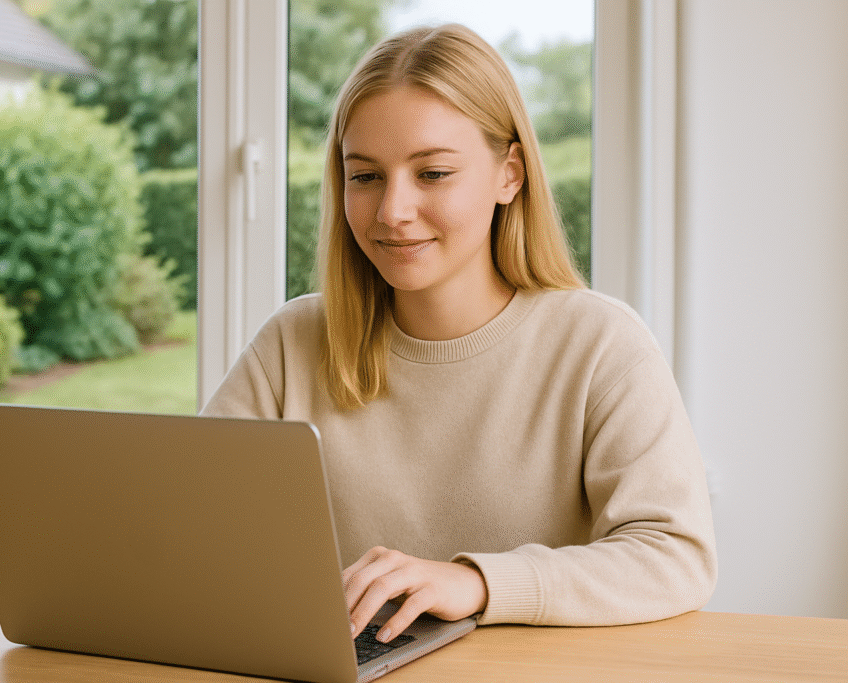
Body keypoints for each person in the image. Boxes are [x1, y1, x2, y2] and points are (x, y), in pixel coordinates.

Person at [202, 23, 717, 644]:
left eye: (434, 173)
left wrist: (476, 582)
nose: (392, 210)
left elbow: (675, 556)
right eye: (364, 177)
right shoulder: (293, 342)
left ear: (510, 174)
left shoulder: (600, 343)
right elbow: (189, 526)